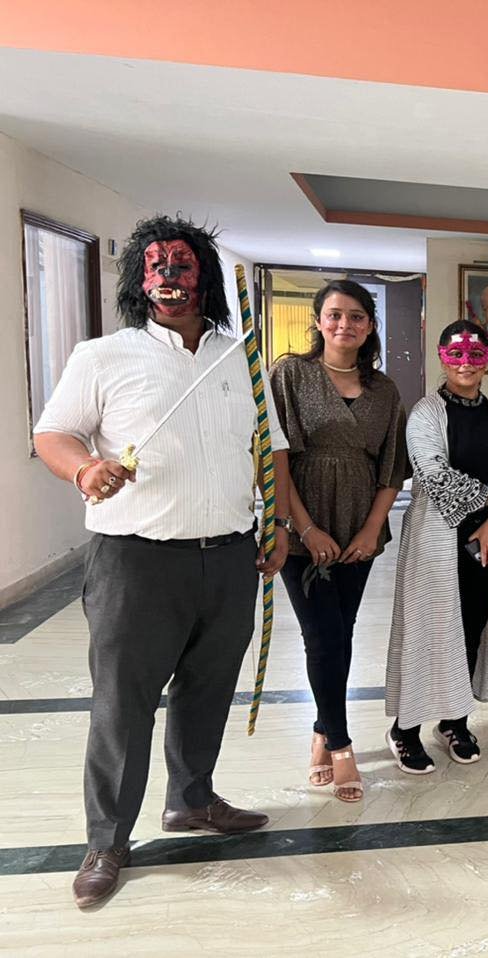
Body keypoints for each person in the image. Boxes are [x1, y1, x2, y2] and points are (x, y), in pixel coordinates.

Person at [33, 214, 291, 908]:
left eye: (182, 265)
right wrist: (85, 469)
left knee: (208, 690)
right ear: (138, 281)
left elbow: (268, 450)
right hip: (135, 563)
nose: (170, 278)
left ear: (205, 276)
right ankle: (107, 841)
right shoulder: (103, 355)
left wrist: (278, 522)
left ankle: (192, 800)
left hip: (230, 556)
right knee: (124, 705)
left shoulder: (241, 357)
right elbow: (54, 433)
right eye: (157, 267)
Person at [269, 279, 408, 803]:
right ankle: (341, 744)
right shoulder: (291, 374)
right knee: (321, 635)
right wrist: (304, 528)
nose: (344, 324)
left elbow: (392, 467)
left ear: (369, 326)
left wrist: (372, 529)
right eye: (334, 314)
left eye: (355, 316)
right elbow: (276, 458)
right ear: (318, 321)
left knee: (341, 632)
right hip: (300, 524)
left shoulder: (384, 390)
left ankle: (320, 731)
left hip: (358, 525)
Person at [384, 321, 488, 771]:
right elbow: (433, 474)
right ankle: (405, 730)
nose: (466, 363)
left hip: (485, 544)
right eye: (456, 355)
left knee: (471, 627)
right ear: (443, 358)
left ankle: (455, 720)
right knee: (428, 632)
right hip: (436, 541)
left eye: (476, 355)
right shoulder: (426, 413)